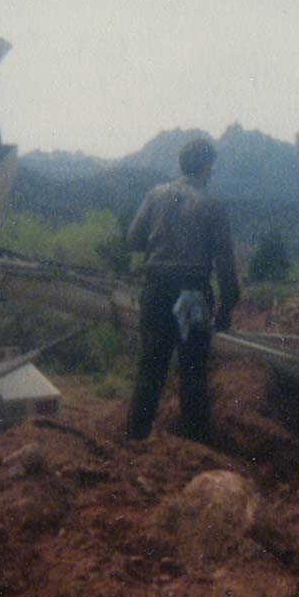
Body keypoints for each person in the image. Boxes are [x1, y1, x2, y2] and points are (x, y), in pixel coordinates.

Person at [125, 137, 240, 443]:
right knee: (193, 371)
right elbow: (225, 263)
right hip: (192, 292)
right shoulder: (212, 205)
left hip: (156, 288)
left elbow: (134, 239)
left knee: (151, 366)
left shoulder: (155, 194)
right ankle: (195, 445)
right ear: (206, 167)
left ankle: (134, 439)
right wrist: (227, 306)